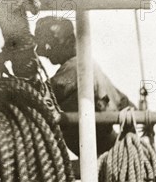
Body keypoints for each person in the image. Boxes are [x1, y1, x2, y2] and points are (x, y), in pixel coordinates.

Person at [34, 16, 134, 156]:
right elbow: (123, 101)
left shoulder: (76, 67)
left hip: (100, 145)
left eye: (50, 46)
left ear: (66, 43)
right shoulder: (88, 65)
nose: (47, 54)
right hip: (103, 142)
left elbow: (43, 93)